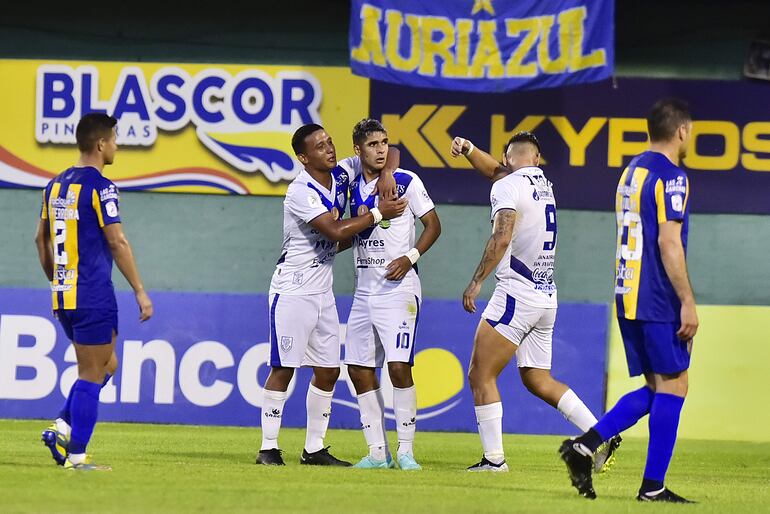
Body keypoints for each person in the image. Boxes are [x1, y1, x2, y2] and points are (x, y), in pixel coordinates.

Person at [449, 132, 620, 473]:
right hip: (545, 297)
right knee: (537, 379)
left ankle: (494, 460)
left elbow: (501, 237)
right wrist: (469, 149)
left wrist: (477, 280)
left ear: (507, 159)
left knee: (481, 374)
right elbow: (497, 172)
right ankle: (600, 434)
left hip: (517, 293)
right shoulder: (542, 183)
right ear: (537, 159)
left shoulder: (507, 186)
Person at [559, 99, 697, 503]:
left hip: (628, 291)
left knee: (661, 386)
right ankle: (652, 486)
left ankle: (585, 446)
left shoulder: (631, 172)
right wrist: (687, 300)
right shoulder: (672, 177)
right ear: (681, 131)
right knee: (675, 384)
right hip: (657, 296)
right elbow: (669, 243)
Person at [256, 123, 407, 466]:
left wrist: (387, 173)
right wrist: (379, 213)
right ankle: (268, 447)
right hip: (293, 288)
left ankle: (313, 449)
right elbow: (336, 231)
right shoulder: (300, 191)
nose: (329, 149)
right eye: (320, 146)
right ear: (303, 157)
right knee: (284, 368)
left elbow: (390, 151)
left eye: (329, 141)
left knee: (328, 371)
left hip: (323, 290)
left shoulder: (341, 173)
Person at [37, 113, 153, 471]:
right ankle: (76, 456)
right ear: (101, 144)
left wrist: (57, 282)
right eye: (114, 139)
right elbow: (117, 242)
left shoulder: (54, 186)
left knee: (107, 364)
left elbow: (40, 240)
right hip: (92, 294)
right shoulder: (101, 187)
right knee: (90, 373)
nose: (117, 145)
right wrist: (140, 291)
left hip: (65, 295)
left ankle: (62, 425)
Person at [343, 119, 441, 471]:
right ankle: (377, 453)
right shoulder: (350, 183)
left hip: (398, 289)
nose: (382, 149)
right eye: (373, 144)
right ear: (358, 150)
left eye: (385, 142)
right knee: (358, 369)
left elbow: (434, 225)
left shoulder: (406, 181)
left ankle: (406, 451)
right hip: (363, 291)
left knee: (398, 367)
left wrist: (410, 257)